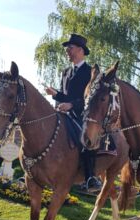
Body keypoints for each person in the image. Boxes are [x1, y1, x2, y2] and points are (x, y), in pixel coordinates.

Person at [45, 33, 101, 192]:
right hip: (63, 114)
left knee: (86, 138)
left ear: (81, 50)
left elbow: (93, 98)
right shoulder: (65, 72)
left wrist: (71, 105)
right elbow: (64, 95)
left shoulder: (91, 72)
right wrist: (56, 96)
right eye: (66, 48)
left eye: (70, 47)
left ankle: (90, 177)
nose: (67, 51)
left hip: (84, 115)